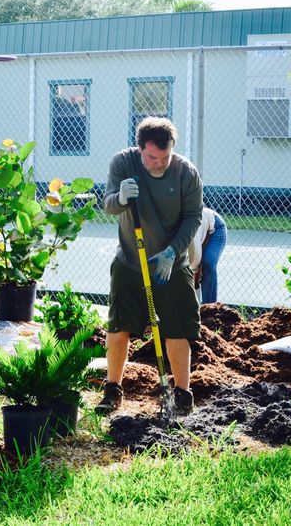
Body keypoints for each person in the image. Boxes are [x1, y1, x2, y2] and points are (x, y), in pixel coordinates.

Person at [97, 117, 203, 415]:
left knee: (177, 330)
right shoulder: (124, 163)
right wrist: (120, 197)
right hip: (130, 262)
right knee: (119, 326)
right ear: (140, 148)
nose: (159, 164)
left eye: (165, 157)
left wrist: (172, 252)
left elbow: (193, 216)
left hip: (172, 263)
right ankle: (112, 390)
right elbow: (108, 206)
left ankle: (182, 395)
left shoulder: (186, 173)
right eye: (152, 157)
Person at [188, 207, 227, 304]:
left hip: (215, 228)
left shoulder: (190, 230)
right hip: (201, 233)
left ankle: (210, 308)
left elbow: (195, 260)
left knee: (207, 263)